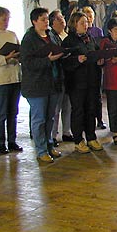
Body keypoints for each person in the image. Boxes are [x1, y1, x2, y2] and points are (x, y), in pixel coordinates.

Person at [21, 7, 64, 163]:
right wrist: (48, 60)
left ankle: (49, 145)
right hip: (36, 85)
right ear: (34, 22)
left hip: (52, 83)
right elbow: (27, 63)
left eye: (47, 19)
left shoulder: (51, 35)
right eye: (43, 19)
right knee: (39, 119)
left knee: (50, 118)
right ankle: (41, 150)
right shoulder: (29, 39)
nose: (47, 22)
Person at [62, 12, 105, 153]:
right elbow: (64, 62)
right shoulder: (69, 41)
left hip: (92, 80)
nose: (85, 25)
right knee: (78, 111)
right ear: (74, 25)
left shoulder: (90, 39)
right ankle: (78, 140)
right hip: (77, 83)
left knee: (91, 109)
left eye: (86, 22)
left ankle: (91, 137)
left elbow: (97, 53)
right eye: (82, 23)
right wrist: (76, 60)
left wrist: (100, 60)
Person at [0, 7, 22, 155]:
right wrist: (6, 58)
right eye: (3, 19)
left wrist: (18, 56)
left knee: (13, 112)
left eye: (8, 19)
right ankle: (1, 142)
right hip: (1, 79)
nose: (6, 22)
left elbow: (20, 52)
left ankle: (12, 140)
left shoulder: (12, 34)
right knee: (1, 113)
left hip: (14, 77)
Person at [48, 9, 73, 145]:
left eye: (63, 17)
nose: (63, 20)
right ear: (52, 22)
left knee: (67, 105)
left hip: (66, 75)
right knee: (56, 108)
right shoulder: (51, 36)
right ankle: (52, 135)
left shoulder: (64, 35)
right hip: (56, 76)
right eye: (59, 18)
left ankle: (66, 132)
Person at [82, 6, 106, 130]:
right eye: (87, 16)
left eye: (91, 15)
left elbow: (101, 47)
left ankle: (100, 119)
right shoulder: (82, 33)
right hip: (87, 66)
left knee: (98, 94)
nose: (90, 18)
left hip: (97, 65)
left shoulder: (98, 31)